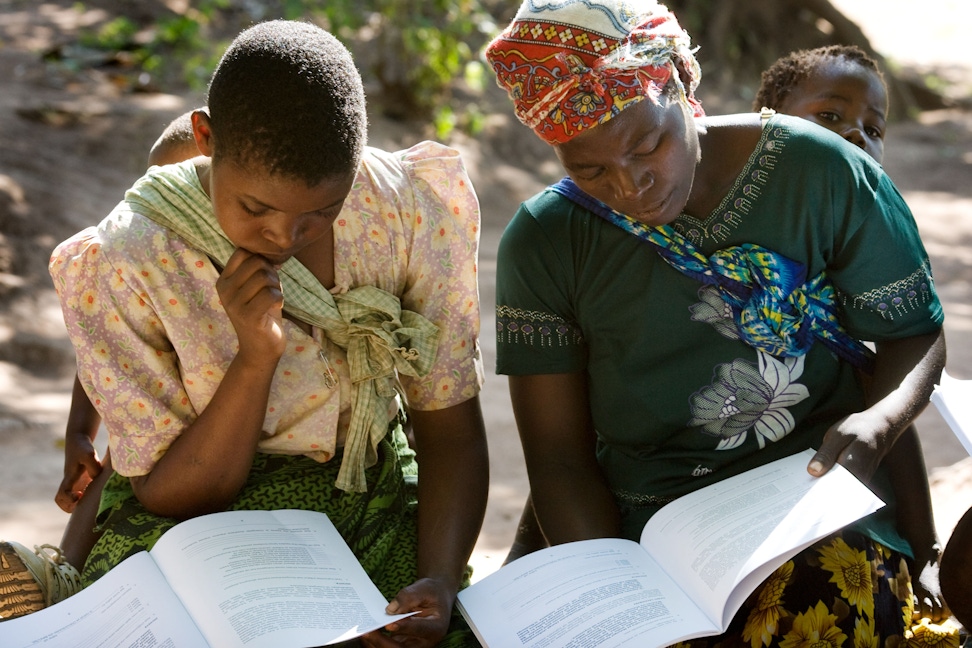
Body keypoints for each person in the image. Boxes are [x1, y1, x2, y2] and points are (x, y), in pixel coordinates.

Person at [484, 1, 954, 646]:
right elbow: (560, 459)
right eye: (588, 169)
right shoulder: (546, 241)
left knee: (818, 613)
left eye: (649, 144)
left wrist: (878, 423)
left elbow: (913, 332)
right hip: (645, 517)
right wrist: (618, 592)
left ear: (683, 87)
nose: (631, 185)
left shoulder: (820, 170)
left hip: (813, 497)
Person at [46, 20, 488, 646]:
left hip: (366, 485)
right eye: (255, 209)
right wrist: (256, 359)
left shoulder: (411, 212)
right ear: (205, 139)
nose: (283, 238)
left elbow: (451, 434)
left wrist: (441, 579)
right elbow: (170, 493)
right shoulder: (136, 252)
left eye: (321, 214)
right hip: (204, 510)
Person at [755, 44, 949, 624]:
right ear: (766, 118)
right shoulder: (715, 208)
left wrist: (926, 544)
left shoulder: (864, 231)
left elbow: (881, 399)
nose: (857, 136)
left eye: (873, 127)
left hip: (821, 467)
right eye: (830, 116)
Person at [0, 110, 206, 624]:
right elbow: (100, 346)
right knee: (121, 455)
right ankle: (64, 577)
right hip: (149, 438)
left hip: (221, 442)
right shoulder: (142, 266)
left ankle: (75, 582)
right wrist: (77, 434)